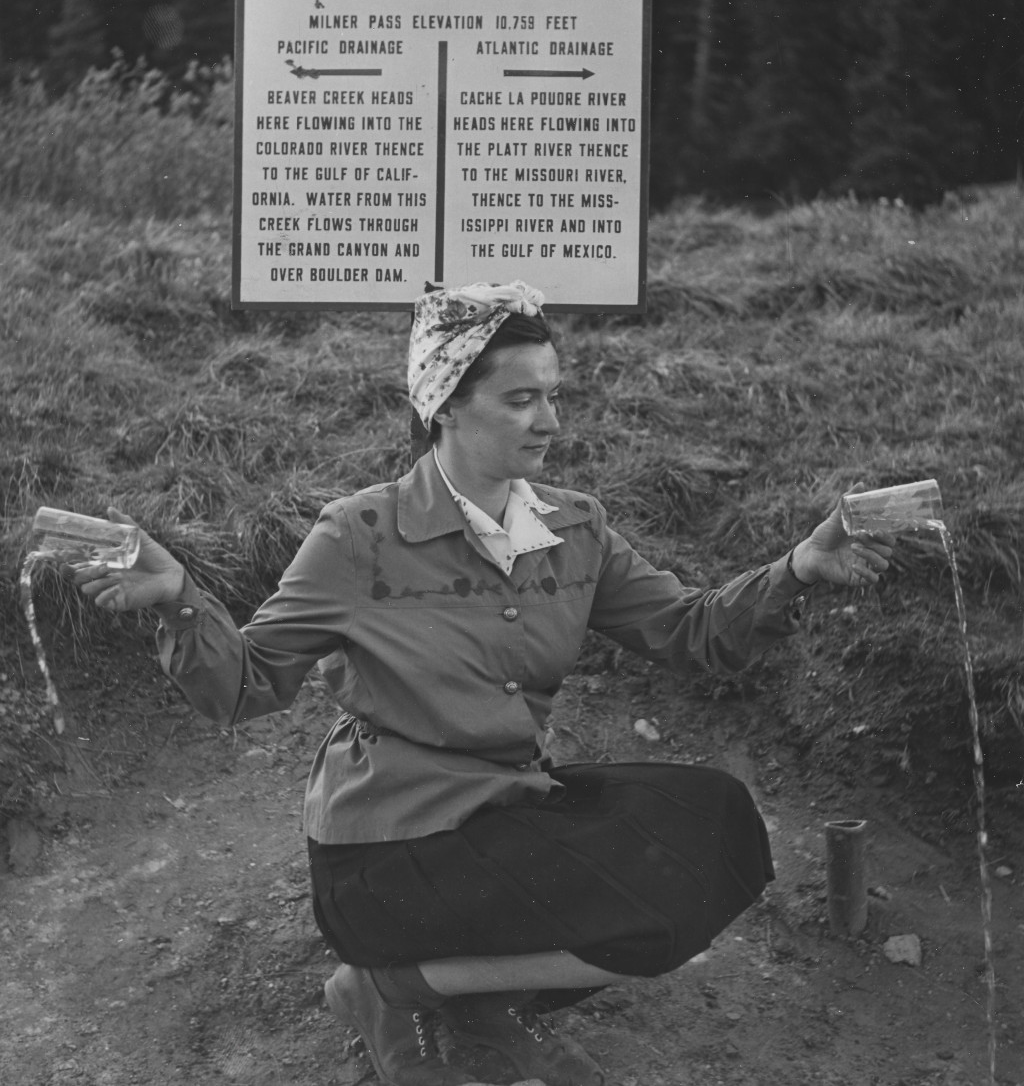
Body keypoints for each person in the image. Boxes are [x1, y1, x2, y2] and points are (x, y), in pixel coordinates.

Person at [67, 280, 895, 1086]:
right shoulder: (360, 533)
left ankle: (464, 994)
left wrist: (800, 568)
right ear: (447, 405)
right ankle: (388, 986)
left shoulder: (575, 526)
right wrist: (179, 598)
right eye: (522, 400)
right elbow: (245, 684)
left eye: (553, 394)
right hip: (387, 850)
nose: (552, 420)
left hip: (508, 814)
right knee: (622, 898)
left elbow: (690, 631)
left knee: (713, 830)